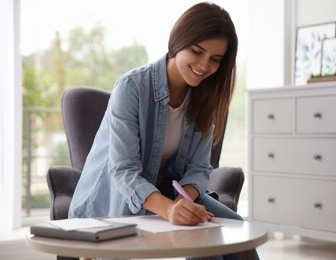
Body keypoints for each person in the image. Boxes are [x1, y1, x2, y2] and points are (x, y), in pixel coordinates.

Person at [69, 2, 260, 259]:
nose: (204, 66)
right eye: (197, 51)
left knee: (236, 233)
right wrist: (169, 210)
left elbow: (200, 169)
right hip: (117, 201)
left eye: (215, 59)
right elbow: (123, 171)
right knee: (204, 239)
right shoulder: (132, 87)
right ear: (177, 42)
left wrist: (184, 201)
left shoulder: (205, 98)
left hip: (169, 196)